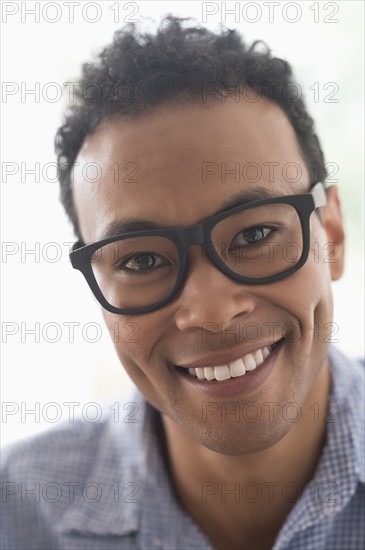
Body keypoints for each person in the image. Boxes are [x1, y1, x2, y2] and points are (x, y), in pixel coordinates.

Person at [1, 16, 364, 550]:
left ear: (330, 235)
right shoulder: (19, 513)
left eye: (257, 233)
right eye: (142, 262)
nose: (212, 310)